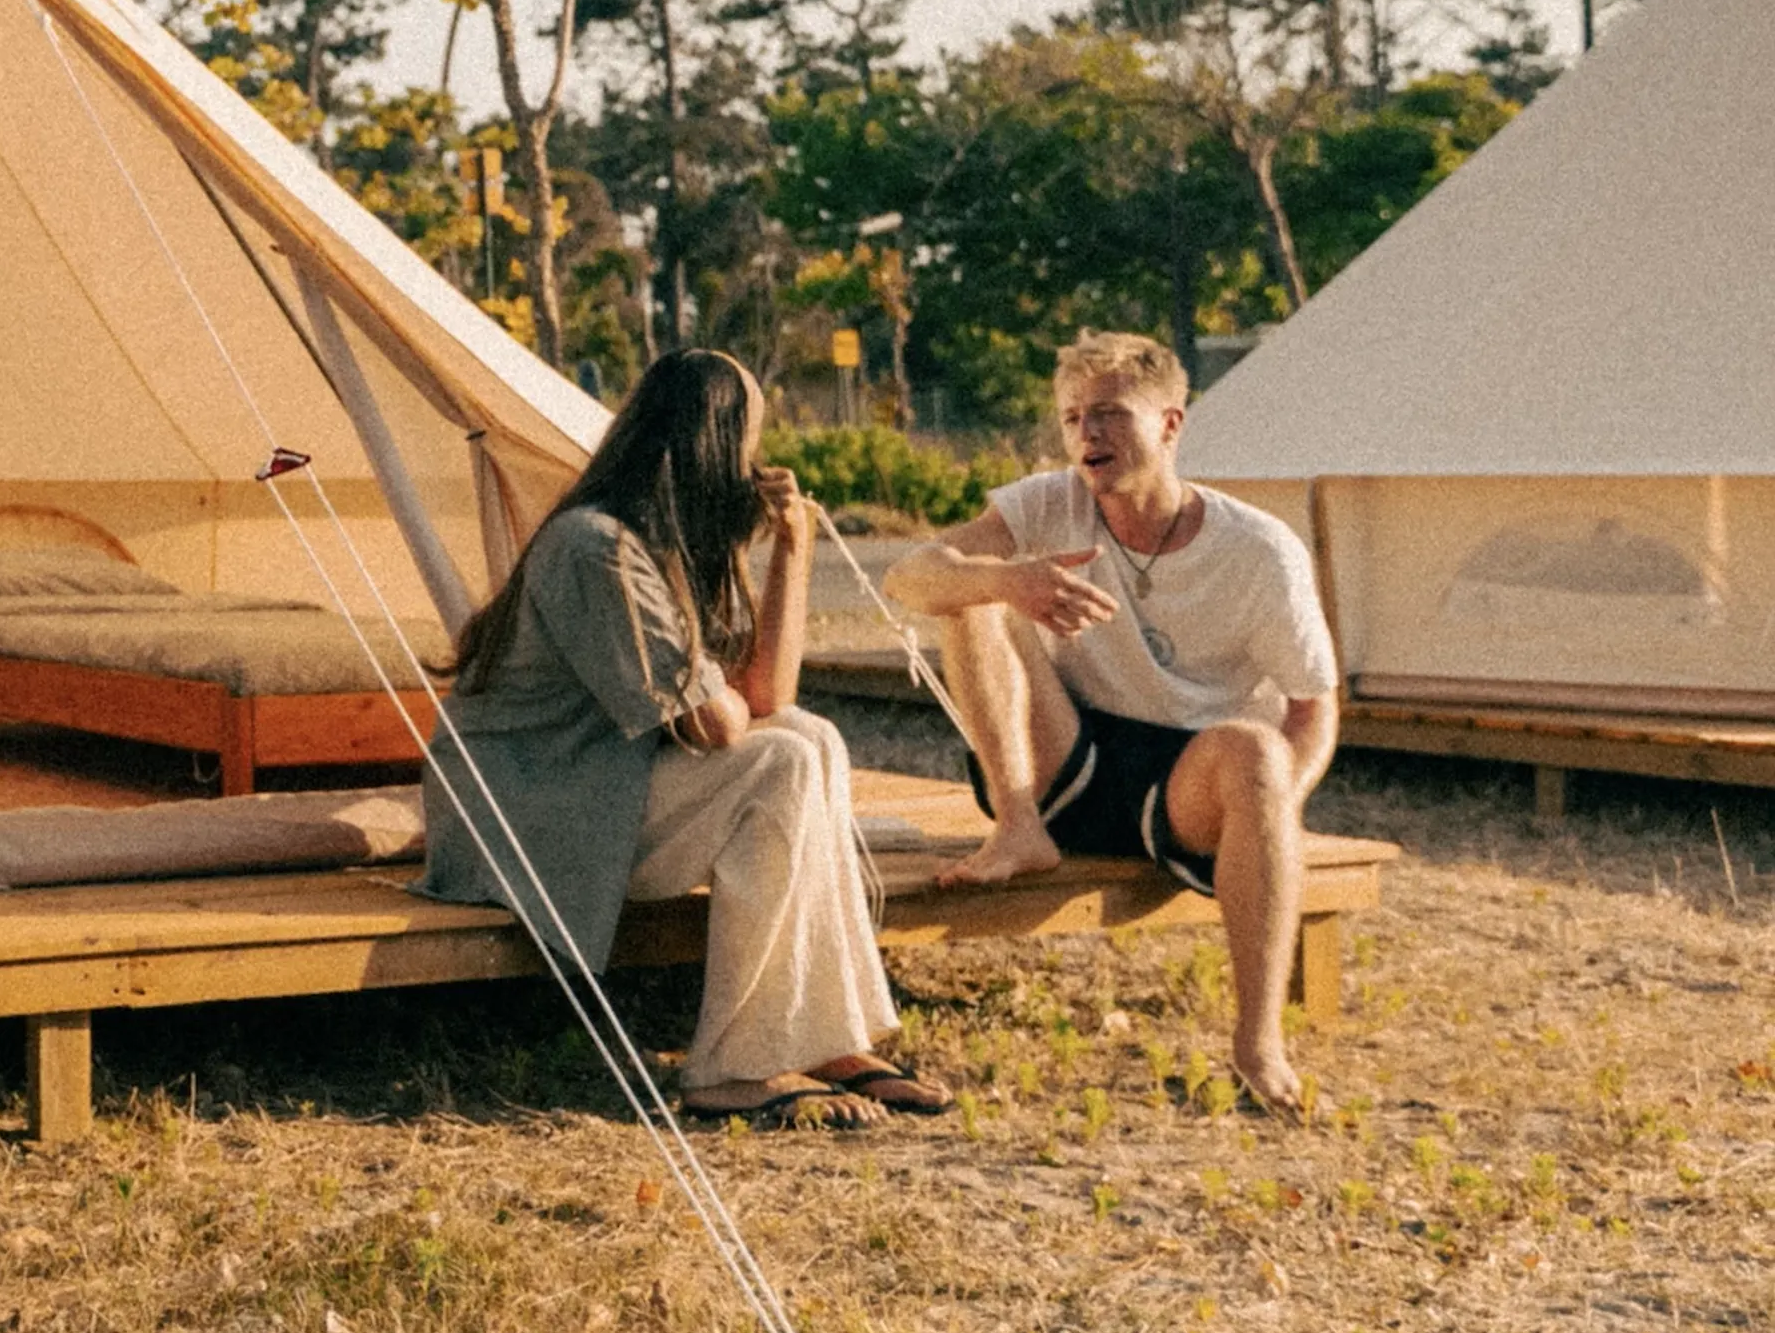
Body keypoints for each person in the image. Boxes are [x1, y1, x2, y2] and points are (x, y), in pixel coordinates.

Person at [426, 348, 944, 1131]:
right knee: (780, 761)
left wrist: (793, 553)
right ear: (711, 445)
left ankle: (828, 1037)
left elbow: (769, 695)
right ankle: (733, 1066)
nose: (754, 467)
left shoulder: (658, 543)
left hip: (592, 787)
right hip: (525, 818)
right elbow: (715, 721)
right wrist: (726, 699)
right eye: (748, 445)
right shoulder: (597, 547)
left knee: (815, 738)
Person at [883, 330, 1339, 1111]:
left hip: (1193, 775)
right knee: (968, 594)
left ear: (1170, 424)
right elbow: (908, 576)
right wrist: (1006, 578)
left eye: (1109, 414)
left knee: (1257, 751)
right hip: (1069, 754)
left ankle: (1258, 1047)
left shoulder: (1260, 551)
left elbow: (1313, 708)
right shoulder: (1047, 503)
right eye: (1072, 418)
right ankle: (1018, 828)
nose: (1087, 435)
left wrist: (1268, 816)